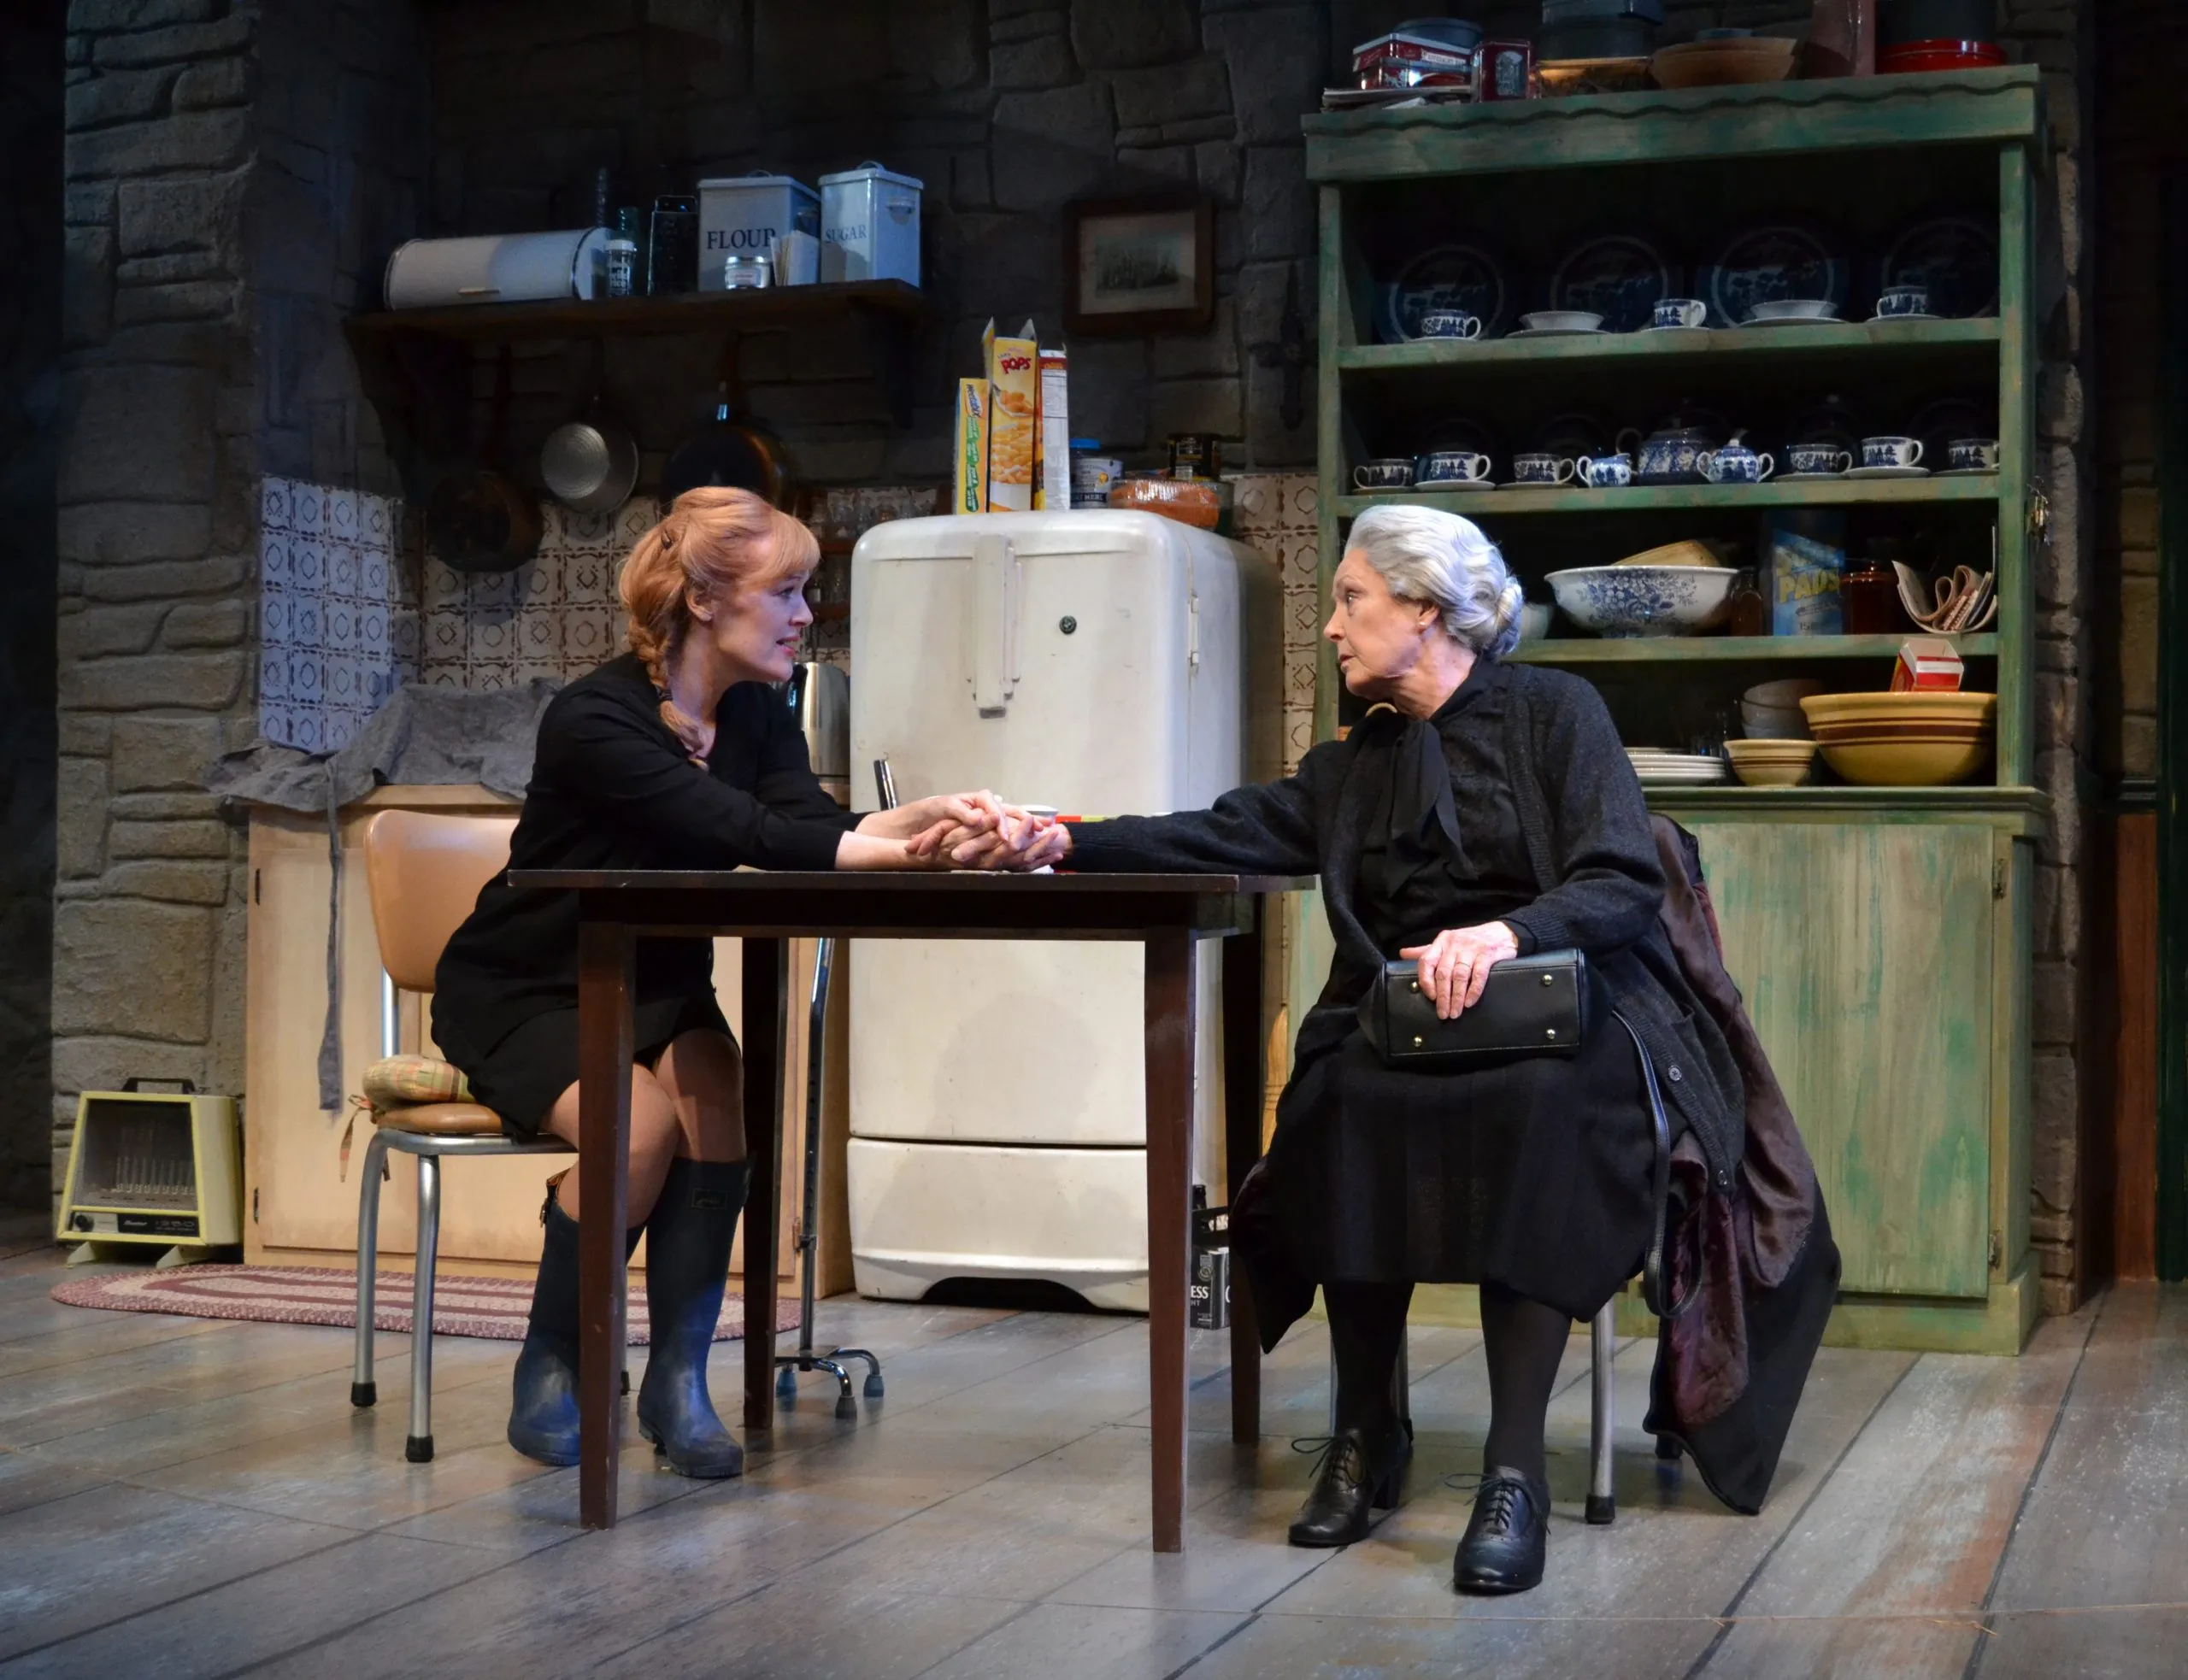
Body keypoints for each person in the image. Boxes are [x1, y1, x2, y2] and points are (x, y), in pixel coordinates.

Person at [991, 504, 1744, 1595]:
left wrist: (1507, 932)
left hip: (1558, 1015)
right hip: (1396, 1025)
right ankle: (1365, 1429)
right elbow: (1225, 829)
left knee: (1547, 1110)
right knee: (1335, 1099)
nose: (1334, 627)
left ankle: (1514, 1468)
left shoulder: (1554, 714)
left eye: (1351, 600)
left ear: (1428, 611)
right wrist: (1063, 838)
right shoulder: (1355, 763)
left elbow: (1623, 876)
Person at [432, 486, 1041, 1479]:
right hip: (534, 979)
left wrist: (936, 815)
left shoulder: (756, 709)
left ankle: (677, 1379)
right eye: (788, 592)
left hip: (658, 975)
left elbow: (803, 822)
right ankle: (561, 1357)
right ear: (707, 601)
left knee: (719, 1113)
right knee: (640, 1131)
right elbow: (744, 835)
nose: (806, 615)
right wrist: (917, 856)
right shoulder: (597, 719)